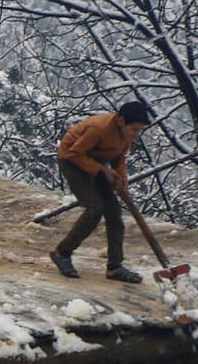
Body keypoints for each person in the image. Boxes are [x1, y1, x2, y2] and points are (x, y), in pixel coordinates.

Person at [49, 100, 149, 283]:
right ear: (121, 121)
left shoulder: (125, 136)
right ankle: (62, 252)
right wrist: (104, 171)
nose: (136, 135)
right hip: (72, 162)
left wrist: (121, 177)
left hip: (97, 164)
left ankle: (114, 267)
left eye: (139, 130)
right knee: (95, 208)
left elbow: (118, 158)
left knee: (114, 213)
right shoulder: (99, 129)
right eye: (134, 129)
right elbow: (74, 153)